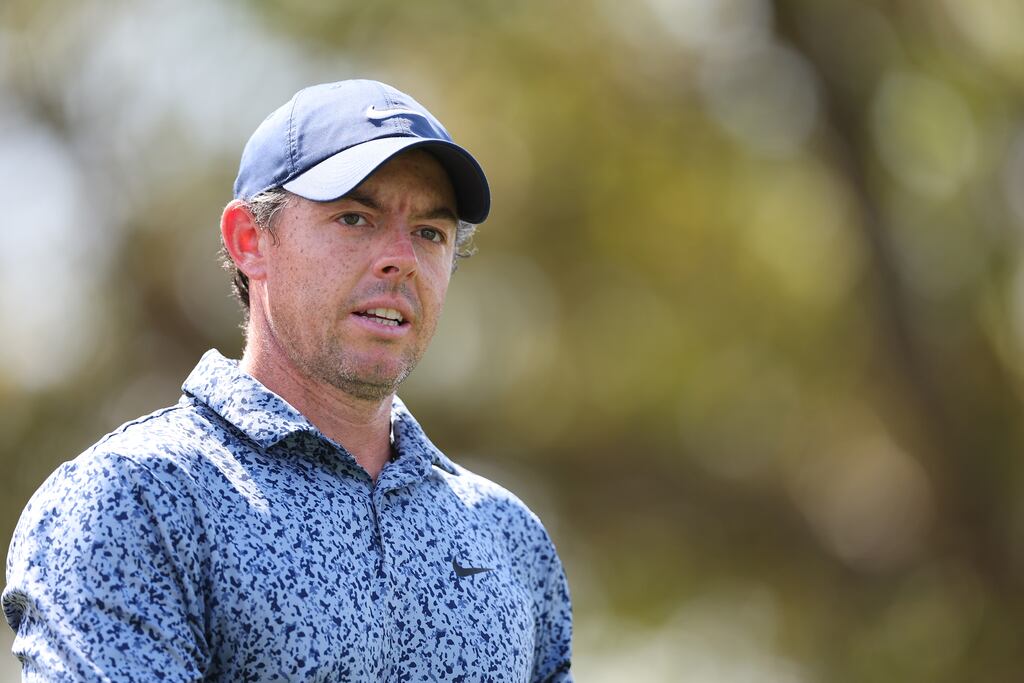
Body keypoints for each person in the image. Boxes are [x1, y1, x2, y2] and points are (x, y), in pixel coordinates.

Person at [3, 79, 573, 681]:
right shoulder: (138, 498)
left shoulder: (509, 536)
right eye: (355, 218)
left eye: (431, 232)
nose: (401, 258)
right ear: (250, 240)